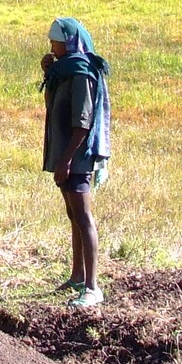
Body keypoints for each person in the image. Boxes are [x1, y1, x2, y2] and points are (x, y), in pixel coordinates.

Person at [41, 18, 111, 309]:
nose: (51, 46)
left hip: (76, 156)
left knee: (83, 217)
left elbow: (83, 124)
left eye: (55, 41)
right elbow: (51, 105)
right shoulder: (63, 71)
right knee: (73, 215)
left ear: (69, 42)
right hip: (65, 155)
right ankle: (77, 276)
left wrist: (67, 160)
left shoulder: (81, 73)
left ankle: (93, 288)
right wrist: (48, 73)